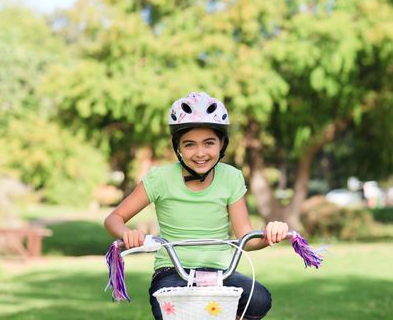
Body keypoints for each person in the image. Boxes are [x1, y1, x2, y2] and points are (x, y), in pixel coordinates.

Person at [104, 91, 289, 320]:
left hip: (221, 272)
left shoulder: (231, 177)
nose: (200, 153)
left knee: (258, 299)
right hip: (172, 271)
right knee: (173, 305)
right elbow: (114, 218)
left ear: (222, 144)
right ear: (178, 147)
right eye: (189, 144)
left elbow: (246, 238)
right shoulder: (160, 179)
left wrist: (270, 234)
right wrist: (126, 233)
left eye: (209, 143)